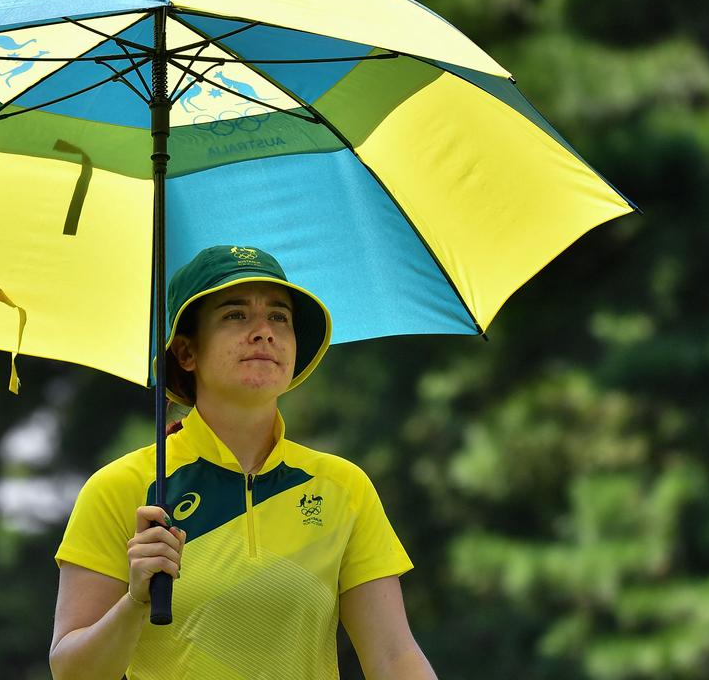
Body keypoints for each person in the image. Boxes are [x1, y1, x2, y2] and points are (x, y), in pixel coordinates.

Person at [48, 245, 437, 680]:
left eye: (279, 316)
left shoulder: (344, 487)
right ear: (186, 353)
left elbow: (394, 658)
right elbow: (71, 672)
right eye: (235, 315)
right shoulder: (120, 487)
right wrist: (135, 600)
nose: (263, 332)